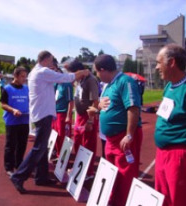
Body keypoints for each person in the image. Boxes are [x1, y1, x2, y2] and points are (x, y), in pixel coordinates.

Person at [10, 50, 90, 194]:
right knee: (39, 148)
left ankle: (41, 177)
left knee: (42, 147)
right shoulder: (42, 72)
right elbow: (66, 77)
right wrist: (82, 72)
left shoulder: (37, 72)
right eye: (52, 61)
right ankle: (19, 176)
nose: (53, 64)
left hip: (41, 114)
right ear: (46, 60)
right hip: (43, 114)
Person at [87, 54, 143, 206]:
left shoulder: (125, 81)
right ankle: (113, 200)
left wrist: (129, 135)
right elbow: (106, 106)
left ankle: (123, 202)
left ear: (103, 70)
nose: (97, 76)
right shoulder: (109, 85)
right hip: (111, 139)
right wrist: (97, 108)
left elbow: (133, 108)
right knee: (112, 172)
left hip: (123, 137)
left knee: (125, 173)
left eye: (97, 72)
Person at [154, 44, 186, 206]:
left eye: (159, 62)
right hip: (163, 154)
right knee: (163, 198)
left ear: (172, 63)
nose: (157, 67)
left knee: (180, 199)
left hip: (181, 157)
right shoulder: (169, 86)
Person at [67, 60, 99, 180]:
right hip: (79, 116)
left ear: (78, 71)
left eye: (72, 74)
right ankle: (79, 168)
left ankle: (88, 172)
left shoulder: (90, 80)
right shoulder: (79, 80)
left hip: (87, 116)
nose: (72, 77)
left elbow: (95, 102)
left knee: (87, 145)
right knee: (78, 143)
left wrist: (90, 121)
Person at [0, 67, 29, 177]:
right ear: (15, 76)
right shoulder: (7, 88)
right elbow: (2, 104)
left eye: (25, 76)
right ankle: (9, 167)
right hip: (12, 121)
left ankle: (19, 164)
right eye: (22, 76)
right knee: (10, 145)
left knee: (22, 144)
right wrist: (13, 110)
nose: (24, 79)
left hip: (24, 120)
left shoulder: (26, 88)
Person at [51, 58, 74, 158]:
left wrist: (68, 116)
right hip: (54, 112)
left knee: (62, 135)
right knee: (55, 134)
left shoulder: (67, 84)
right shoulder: (56, 83)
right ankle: (56, 152)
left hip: (62, 113)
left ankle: (63, 156)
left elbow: (71, 101)